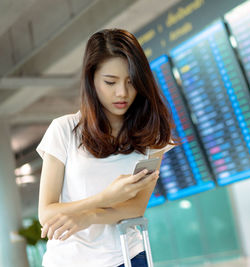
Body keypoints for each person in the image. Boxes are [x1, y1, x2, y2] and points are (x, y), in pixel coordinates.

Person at [37, 28, 176, 267]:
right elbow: (47, 214)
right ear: (92, 79)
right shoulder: (64, 130)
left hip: (126, 257)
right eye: (110, 82)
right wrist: (104, 198)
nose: (122, 93)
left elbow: (135, 208)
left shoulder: (151, 136)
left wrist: (89, 216)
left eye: (131, 82)